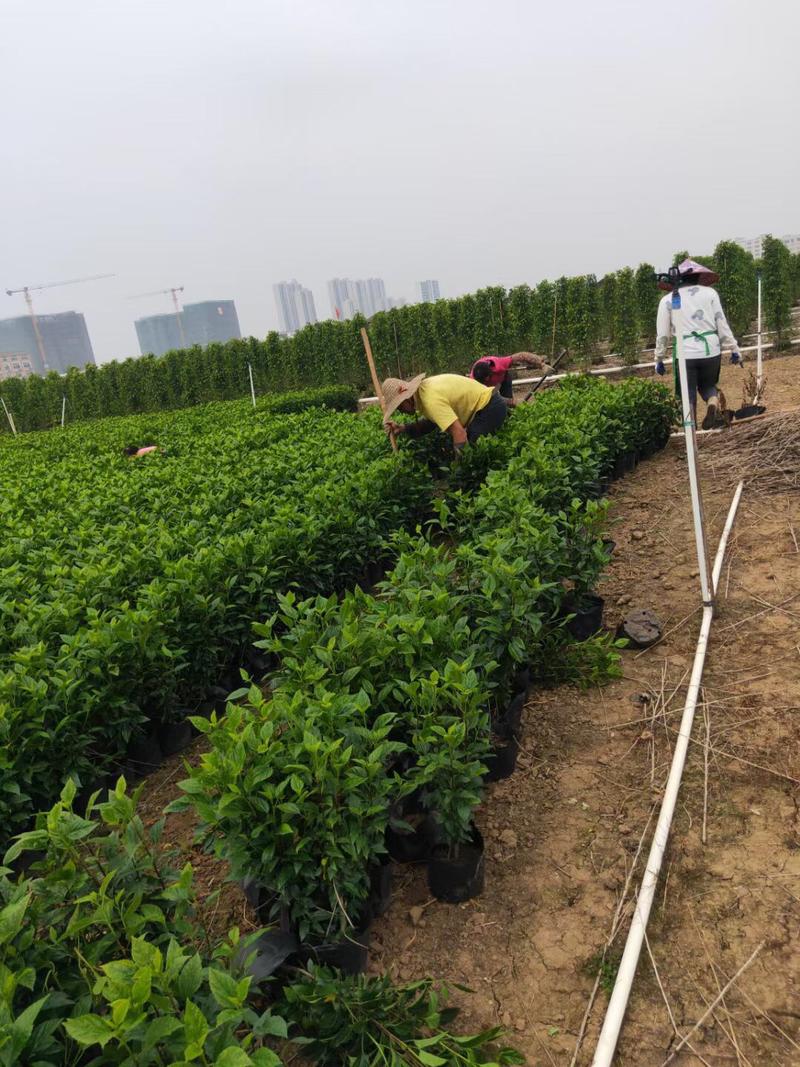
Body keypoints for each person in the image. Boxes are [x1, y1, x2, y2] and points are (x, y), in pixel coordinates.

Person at [655, 258, 743, 430]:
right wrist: (734, 349)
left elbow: (663, 335)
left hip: (686, 353)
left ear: (677, 279)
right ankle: (712, 405)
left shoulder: (668, 300)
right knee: (708, 386)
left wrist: (659, 358)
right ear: (699, 278)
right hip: (711, 351)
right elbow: (721, 323)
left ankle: (692, 432)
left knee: (687, 395)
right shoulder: (710, 294)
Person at [382, 372, 507, 453]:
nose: (401, 411)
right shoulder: (423, 391)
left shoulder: (430, 400)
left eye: (399, 407)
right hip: (489, 405)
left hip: (489, 409)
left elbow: (459, 434)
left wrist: (457, 474)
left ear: (406, 398)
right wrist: (403, 429)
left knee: (473, 453)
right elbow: (432, 423)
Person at [470, 352, 549, 405]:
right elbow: (489, 398)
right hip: (485, 392)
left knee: (508, 406)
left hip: (503, 378)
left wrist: (541, 365)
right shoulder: (473, 383)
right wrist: (513, 402)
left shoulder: (499, 363)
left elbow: (522, 356)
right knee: (494, 405)